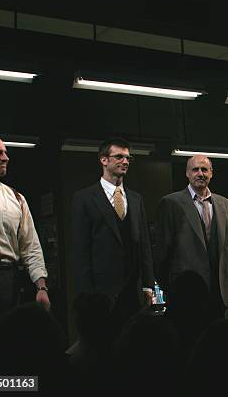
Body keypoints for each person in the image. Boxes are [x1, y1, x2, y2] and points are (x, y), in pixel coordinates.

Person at [72, 137, 154, 329]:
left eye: (127, 158)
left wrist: (148, 284)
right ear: (104, 160)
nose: (125, 162)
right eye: (119, 157)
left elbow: (144, 246)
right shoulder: (84, 198)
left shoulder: (135, 199)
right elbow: (80, 250)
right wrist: (86, 293)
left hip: (132, 292)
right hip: (101, 292)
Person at [0, 135, 50, 328]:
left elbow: (31, 247)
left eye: (5, 152)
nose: (5, 157)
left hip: (7, 279)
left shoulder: (17, 199)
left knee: (4, 340)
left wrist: (41, 287)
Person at [155, 155, 228, 317]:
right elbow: (162, 250)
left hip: (220, 291)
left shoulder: (225, 204)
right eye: (195, 169)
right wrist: (168, 287)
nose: (200, 173)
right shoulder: (171, 203)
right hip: (185, 291)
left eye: (204, 169)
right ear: (187, 173)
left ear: (211, 173)